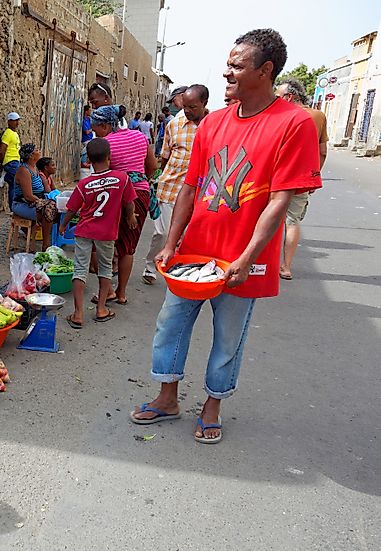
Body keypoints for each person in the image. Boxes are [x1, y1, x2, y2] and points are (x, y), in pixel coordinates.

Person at [130, 29, 322, 444]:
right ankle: (167, 397)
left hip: (242, 261)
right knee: (170, 325)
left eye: (237, 66)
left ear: (265, 70)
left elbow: (280, 201)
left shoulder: (295, 123)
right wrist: (169, 243)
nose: (226, 73)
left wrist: (247, 254)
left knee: (228, 337)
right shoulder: (213, 122)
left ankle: (213, 404)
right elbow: (189, 188)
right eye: (228, 64)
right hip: (195, 254)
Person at [61, 138, 137, 327]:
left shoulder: (84, 184)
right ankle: (101, 309)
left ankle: (78, 314)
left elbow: (71, 208)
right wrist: (131, 217)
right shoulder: (122, 179)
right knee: (105, 270)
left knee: (80, 269)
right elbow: (129, 203)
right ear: (109, 157)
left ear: (89, 160)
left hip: (85, 230)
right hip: (107, 233)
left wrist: (64, 224)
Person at [91, 104, 159, 305]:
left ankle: (109, 290)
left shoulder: (105, 143)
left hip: (117, 195)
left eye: (95, 128)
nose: (94, 132)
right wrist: (139, 180)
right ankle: (121, 294)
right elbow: (153, 166)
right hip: (141, 193)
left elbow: (102, 174)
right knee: (128, 247)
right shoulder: (139, 136)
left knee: (103, 243)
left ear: (104, 126)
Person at [143, 85, 210, 284]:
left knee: (187, 237)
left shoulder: (213, 125)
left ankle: (179, 270)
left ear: (204, 104)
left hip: (198, 192)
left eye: (193, 107)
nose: (187, 110)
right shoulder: (175, 124)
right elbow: (165, 156)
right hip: (171, 187)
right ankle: (149, 265)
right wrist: (159, 177)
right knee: (161, 233)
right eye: (185, 105)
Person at [275, 76, 328, 280]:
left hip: (277, 176)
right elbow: (322, 151)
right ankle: (286, 266)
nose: (276, 99)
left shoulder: (281, 114)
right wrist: (314, 176)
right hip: (302, 179)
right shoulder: (318, 116)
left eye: (279, 96)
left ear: (289, 96)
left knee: (266, 217)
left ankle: (263, 262)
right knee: (292, 221)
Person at [12, 143, 56, 250]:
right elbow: (28, 196)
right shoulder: (24, 170)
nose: (39, 151)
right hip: (22, 204)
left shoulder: (34, 169)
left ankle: (51, 243)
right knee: (49, 209)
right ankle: (45, 245)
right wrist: (43, 202)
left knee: (54, 207)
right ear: (31, 155)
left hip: (34, 202)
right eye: (37, 150)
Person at [0, 112, 22, 207]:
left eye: (17, 120)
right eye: (14, 120)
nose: (17, 123)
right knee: (18, 183)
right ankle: (13, 207)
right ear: (9, 122)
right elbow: (2, 149)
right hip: (10, 162)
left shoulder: (14, 133)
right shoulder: (8, 133)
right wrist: (2, 162)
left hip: (16, 161)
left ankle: (6, 177)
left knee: (13, 183)